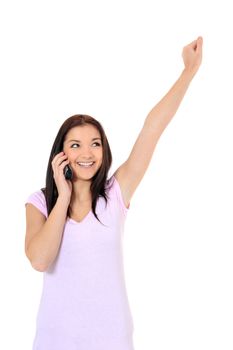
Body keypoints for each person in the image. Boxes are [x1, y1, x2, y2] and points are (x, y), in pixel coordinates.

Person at [25, 36, 203, 350]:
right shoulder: (40, 202)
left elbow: (152, 128)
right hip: (55, 340)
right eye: (75, 144)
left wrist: (188, 71)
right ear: (61, 153)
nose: (87, 152)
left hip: (111, 340)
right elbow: (39, 259)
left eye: (95, 143)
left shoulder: (115, 193)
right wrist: (63, 195)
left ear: (104, 149)